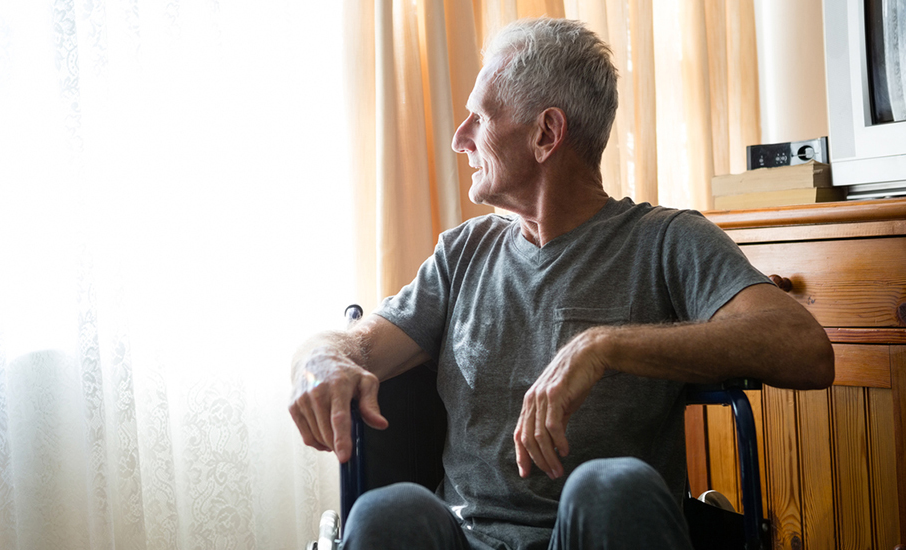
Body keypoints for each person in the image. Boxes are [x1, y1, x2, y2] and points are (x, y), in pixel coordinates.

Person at [289, 17, 833, 550]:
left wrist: (606, 345)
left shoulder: (665, 240)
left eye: (478, 117)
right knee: (389, 509)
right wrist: (320, 360)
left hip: (594, 530)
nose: (460, 139)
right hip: (465, 536)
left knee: (611, 486)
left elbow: (806, 350)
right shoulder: (463, 252)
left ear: (546, 133)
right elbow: (359, 345)